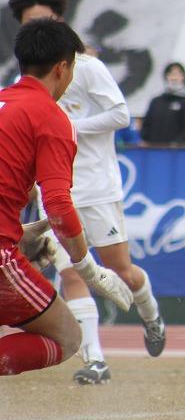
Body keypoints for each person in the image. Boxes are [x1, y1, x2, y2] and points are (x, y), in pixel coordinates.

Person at [8, 0, 167, 385]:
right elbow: (55, 198)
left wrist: (70, 129)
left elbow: (121, 115)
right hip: (60, 193)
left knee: (122, 271)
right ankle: (95, 358)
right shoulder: (38, 101)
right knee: (73, 284)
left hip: (96, 187)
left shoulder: (86, 69)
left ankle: (151, 314)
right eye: (32, 23)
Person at [0, 19, 133, 376]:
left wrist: (21, 232)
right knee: (68, 338)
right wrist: (90, 270)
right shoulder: (51, 118)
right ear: (63, 68)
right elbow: (58, 205)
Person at [140, 62, 185, 146]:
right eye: (171, 74)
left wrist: (177, 144)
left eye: (178, 74)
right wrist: (146, 140)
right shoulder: (156, 101)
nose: (174, 78)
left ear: (183, 77)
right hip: (153, 150)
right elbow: (147, 124)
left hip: (176, 153)